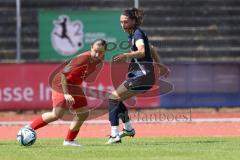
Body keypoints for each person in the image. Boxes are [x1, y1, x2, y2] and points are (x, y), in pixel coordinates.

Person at [22, 39, 107, 147]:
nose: (97, 54)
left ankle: (69, 141)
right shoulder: (82, 59)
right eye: (95, 50)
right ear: (91, 48)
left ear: (104, 52)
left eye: (100, 52)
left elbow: (88, 77)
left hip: (74, 85)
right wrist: (66, 94)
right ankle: (29, 128)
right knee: (57, 114)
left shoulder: (100, 60)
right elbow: (63, 74)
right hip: (61, 84)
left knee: (83, 113)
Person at [106, 8, 170, 144]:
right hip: (144, 76)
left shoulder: (138, 33)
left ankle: (114, 135)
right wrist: (159, 65)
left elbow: (142, 51)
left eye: (126, 22)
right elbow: (151, 48)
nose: (123, 24)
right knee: (115, 98)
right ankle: (128, 129)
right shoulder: (134, 34)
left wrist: (126, 55)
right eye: (121, 22)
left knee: (113, 98)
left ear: (133, 21)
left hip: (142, 76)